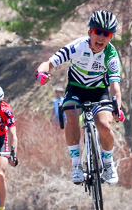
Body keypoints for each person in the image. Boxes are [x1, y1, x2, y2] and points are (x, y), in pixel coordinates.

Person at [35, 10, 124, 186]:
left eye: (106, 34)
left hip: (99, 91)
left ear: (110, 37)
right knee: (72, 117)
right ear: (89, 32)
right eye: (97, 31)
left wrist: (117, 108)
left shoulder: (111, 55)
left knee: (105, 126)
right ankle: (76, 165)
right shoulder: (77, 47)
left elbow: (115, 86)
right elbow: (49, 63)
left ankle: (108, 162)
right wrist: (41, 72)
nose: (101, 37)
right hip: (76, 89)